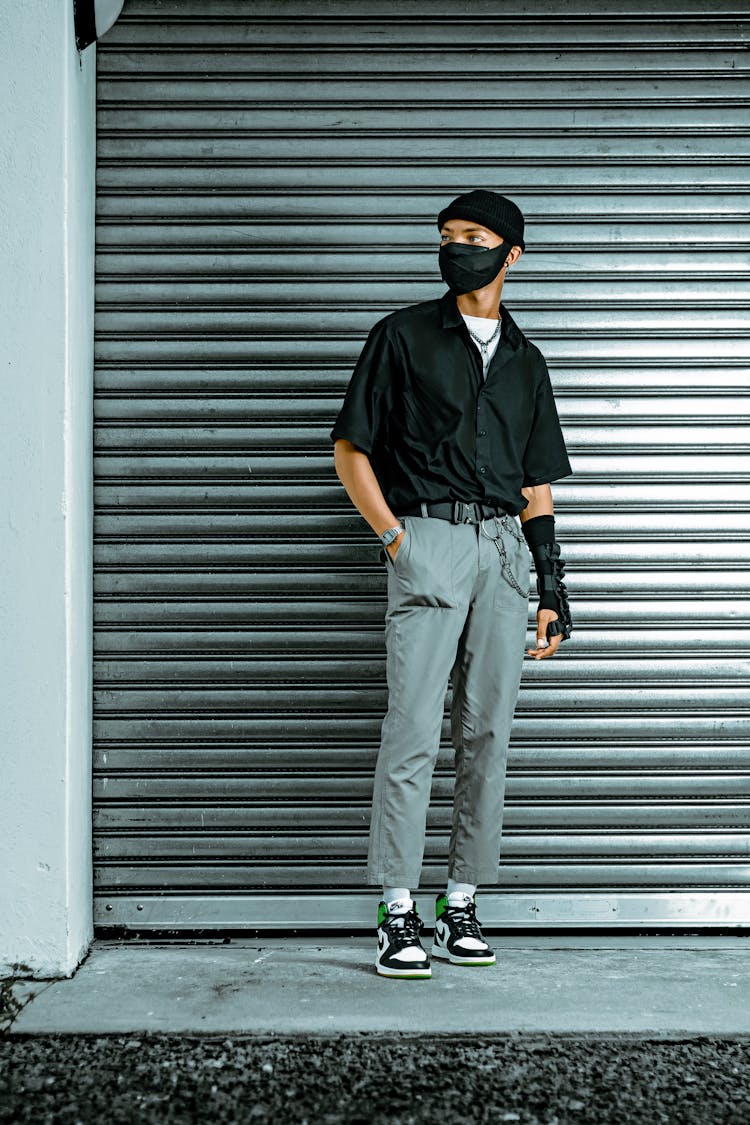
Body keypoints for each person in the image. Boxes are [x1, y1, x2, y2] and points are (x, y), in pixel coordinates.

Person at [330, 189, 572, 979]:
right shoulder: (402, 337)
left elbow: (537, 484)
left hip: (504, 550)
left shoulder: (528, 362)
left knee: (488, 731)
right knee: (412, 731)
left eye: (473, 236)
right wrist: (399, 539)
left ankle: (458, 900)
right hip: (429, 535)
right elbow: (350, 449)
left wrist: (552, 587)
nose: (455, 248)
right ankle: (397, 910)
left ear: (513, 254)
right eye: (446, 236)